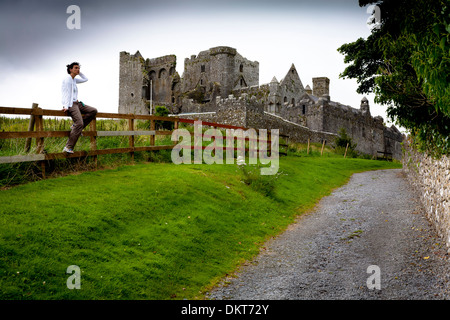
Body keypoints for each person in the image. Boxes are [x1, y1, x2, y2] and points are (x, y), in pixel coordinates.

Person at [61, 62, 97, 154]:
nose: (78, 69)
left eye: (78, 68)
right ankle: (68, 147)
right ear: (70, 69)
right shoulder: (68, 78)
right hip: (71, 104)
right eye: (76, 68)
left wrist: (79, 73)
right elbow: (67, 93)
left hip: (77, 103)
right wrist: (65, 106)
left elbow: (85, 79)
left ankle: (76, 127)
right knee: (79, 123)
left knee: (93, 111)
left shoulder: (74, 79)